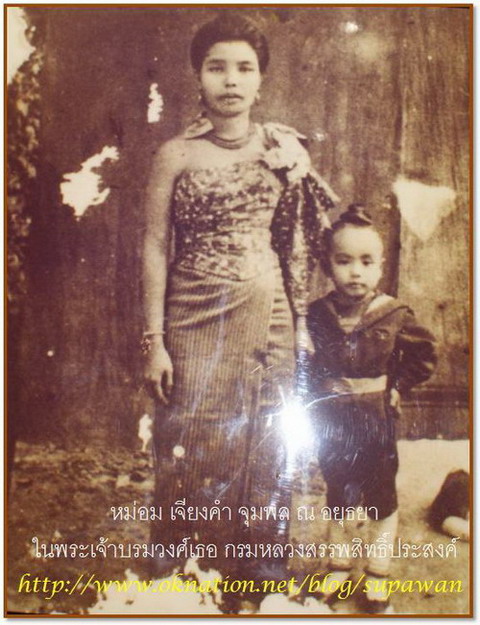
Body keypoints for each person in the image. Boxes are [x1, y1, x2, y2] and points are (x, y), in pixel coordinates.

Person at [142, 13, 336, 608]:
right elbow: (154, 246)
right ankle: (185, 577)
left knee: (266, 439)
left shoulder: (282, 150)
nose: (231, 80)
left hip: (268, 314)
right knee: (191, 439)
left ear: (260, 79)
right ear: (198, 77)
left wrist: (300, 326)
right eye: (216, 67)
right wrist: (155, 340)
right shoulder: (175, 155)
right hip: (193, 315)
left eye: (244, 68)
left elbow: (295, 245)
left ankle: (257, 576)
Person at [306, 204, 437, 613]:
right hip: (333, 420)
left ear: (380, 267)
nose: (355, 272)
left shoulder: (393, 314)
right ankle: (339, 565)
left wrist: (397, 385)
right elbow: (306, 365)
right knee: (338, 489)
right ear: (327, 265)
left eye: (366, 262)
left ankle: (378, 571)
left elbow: (424, 355)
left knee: (380, 492)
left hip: (375, 418)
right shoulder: (317, 315)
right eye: (344, 261)